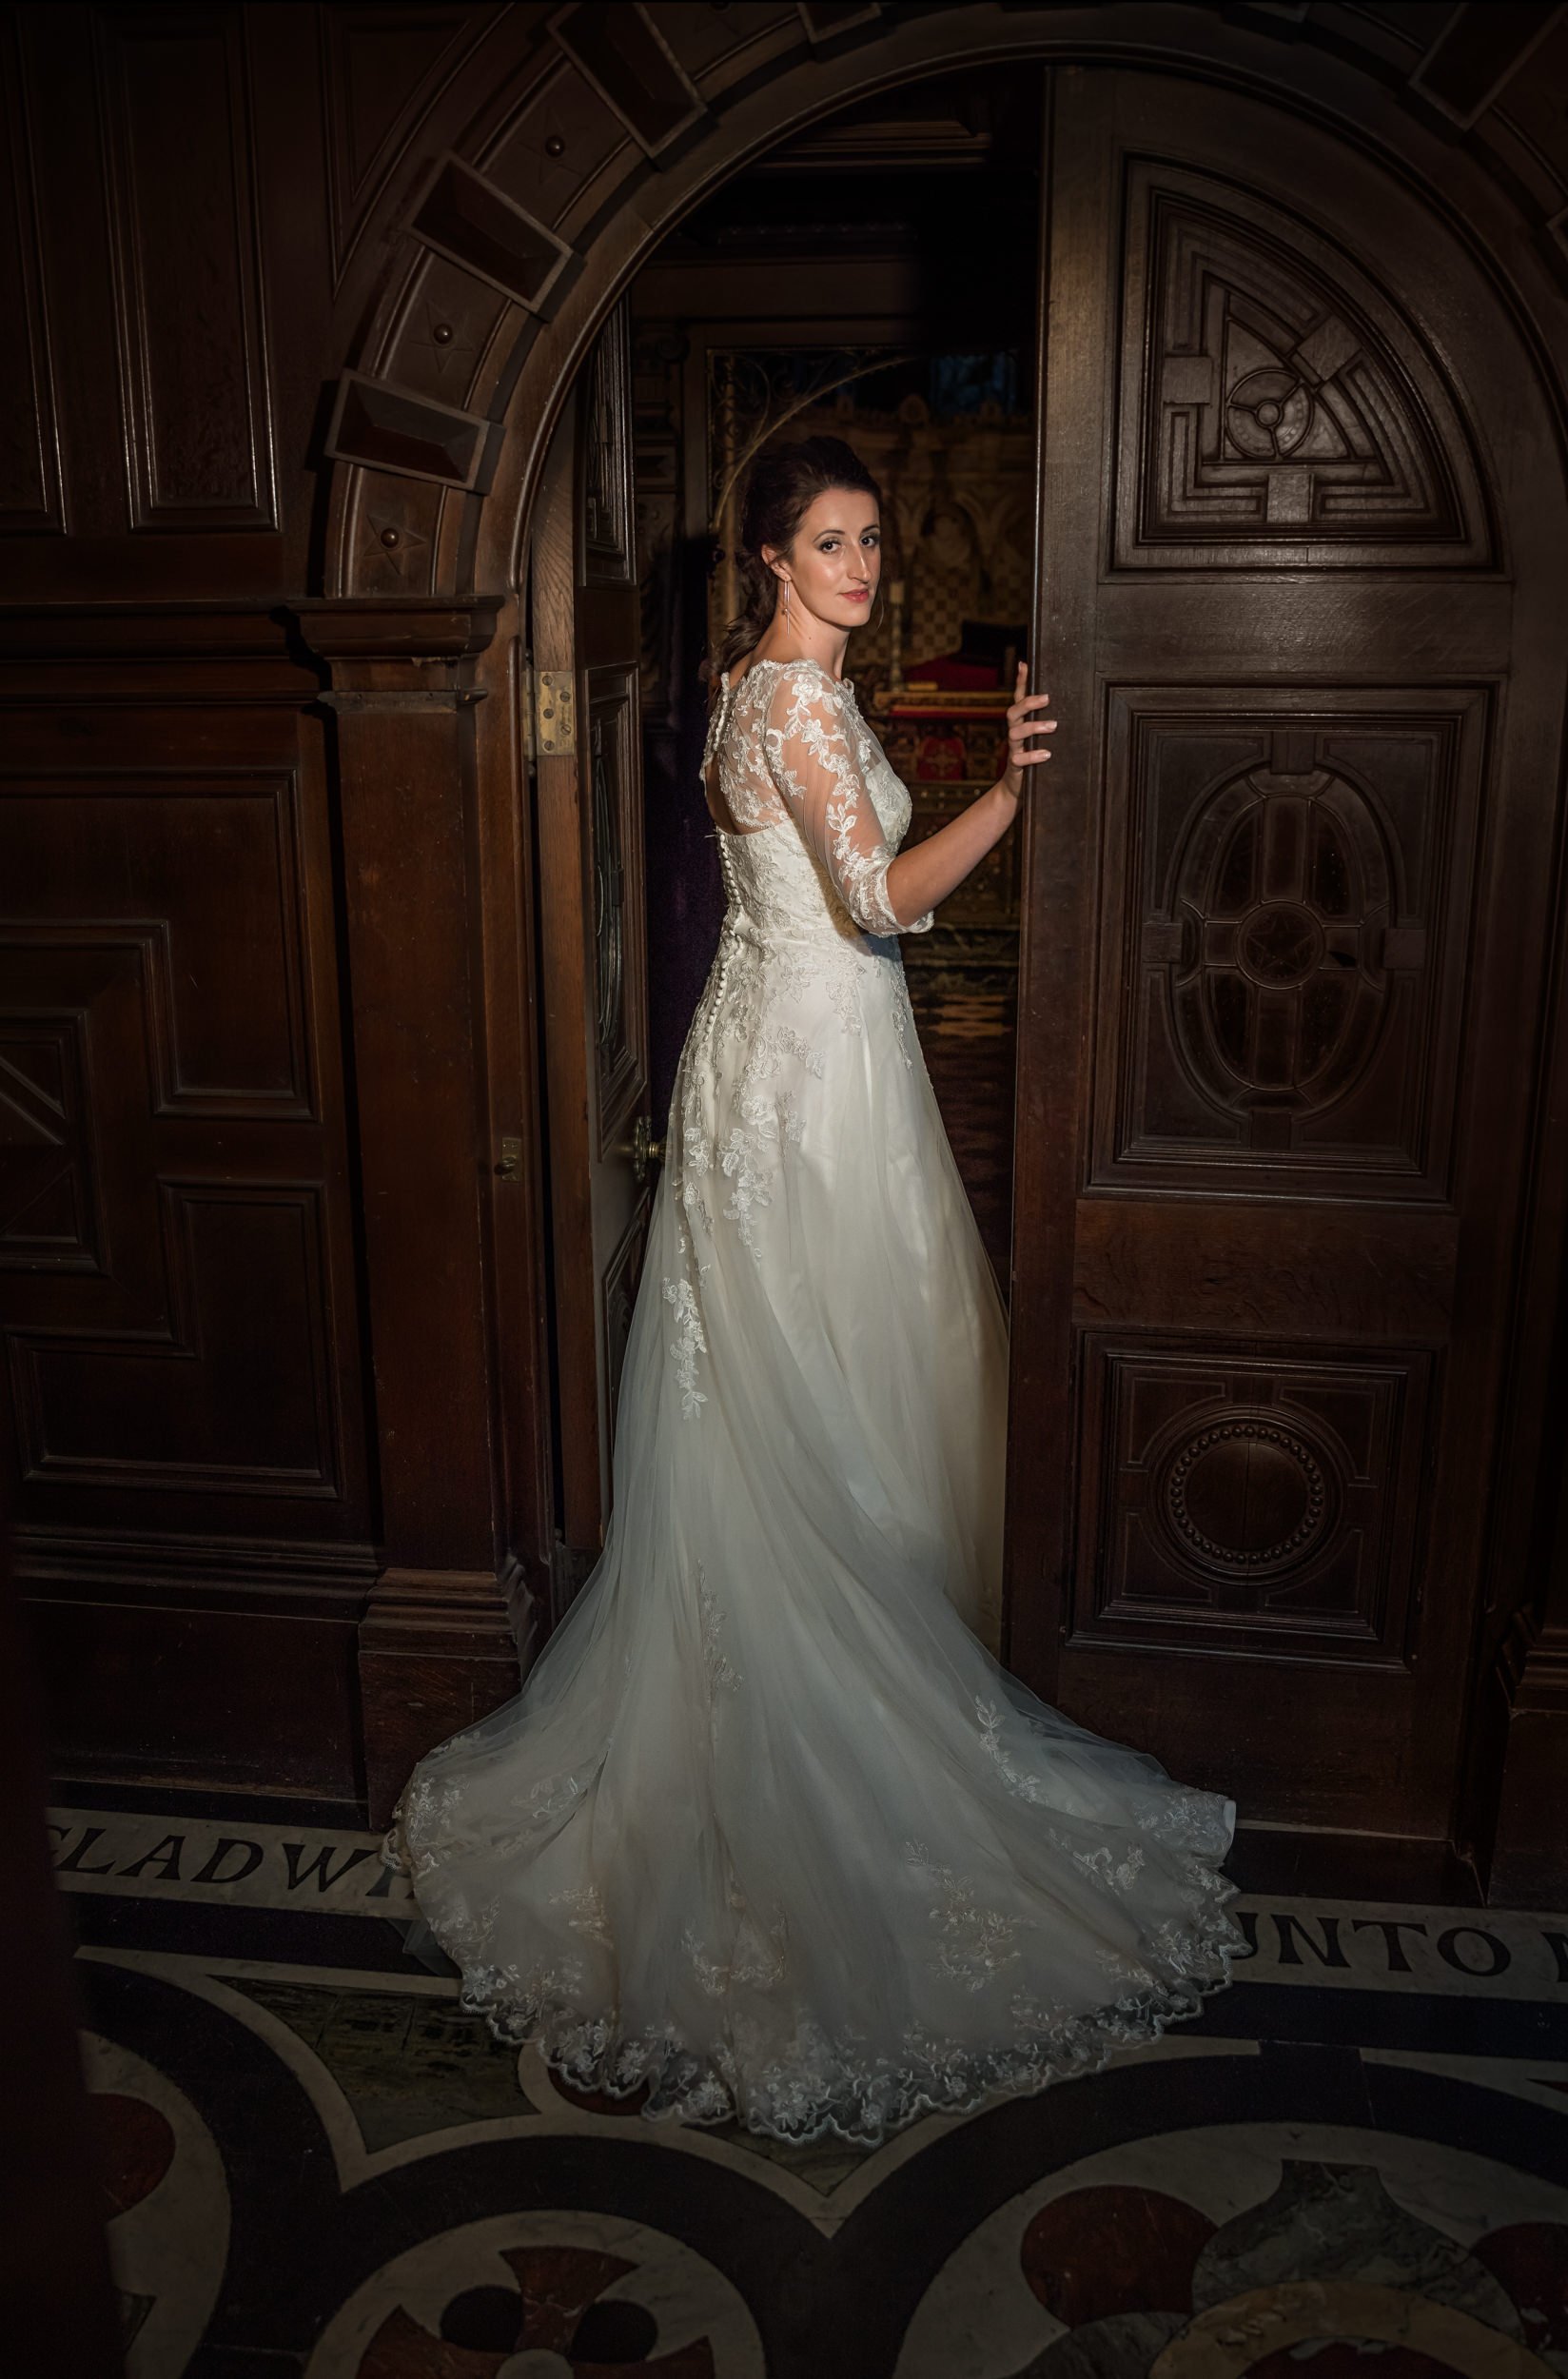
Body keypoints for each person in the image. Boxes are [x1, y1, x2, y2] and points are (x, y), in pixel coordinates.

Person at [384, 435, 1248, 2149]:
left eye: (869, 540)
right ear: (774, 558)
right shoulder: (781, 700)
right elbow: (871, 898)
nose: (863, 565)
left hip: (798, 1069)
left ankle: (821, 1703)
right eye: (833, 543)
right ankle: (823, 1762)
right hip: (805, 1087)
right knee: (815, 1409)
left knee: (830, 1395)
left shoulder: (767, 689)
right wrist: (1011, 797)